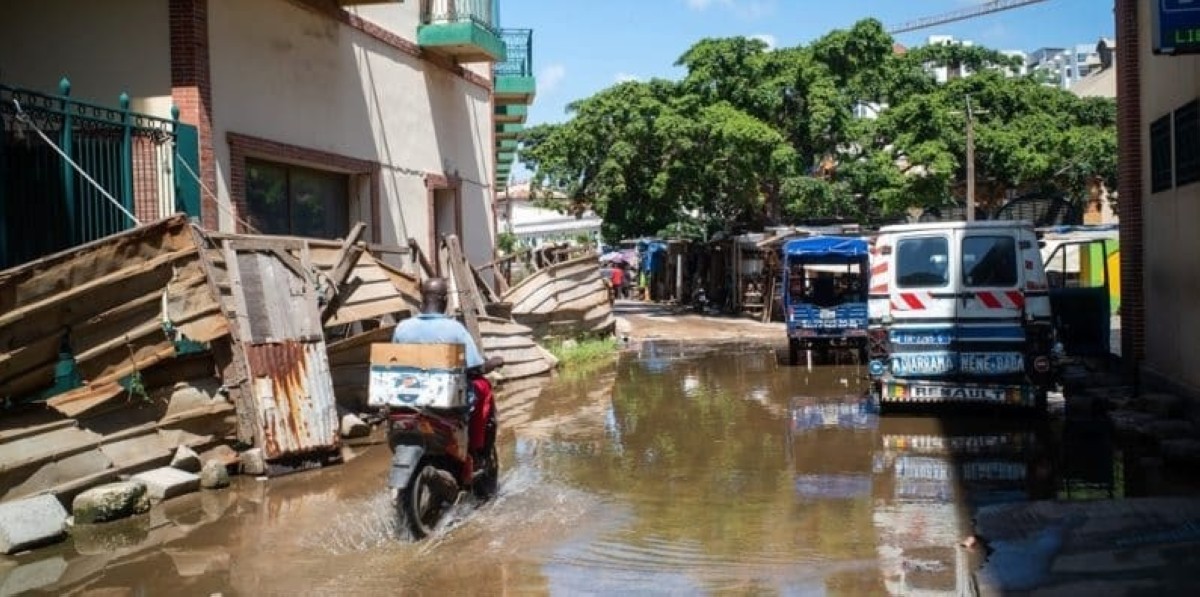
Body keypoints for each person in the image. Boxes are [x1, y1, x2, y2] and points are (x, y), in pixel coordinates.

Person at [392, 277, 503, 461]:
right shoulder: (455, 329)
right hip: (445, 402)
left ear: (423, 298)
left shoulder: (402, 328)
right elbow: (477, 368)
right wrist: (495, 362)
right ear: (444, 300)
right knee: (483, 387)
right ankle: (477, 451)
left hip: (408, 398)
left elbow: (393, 365)